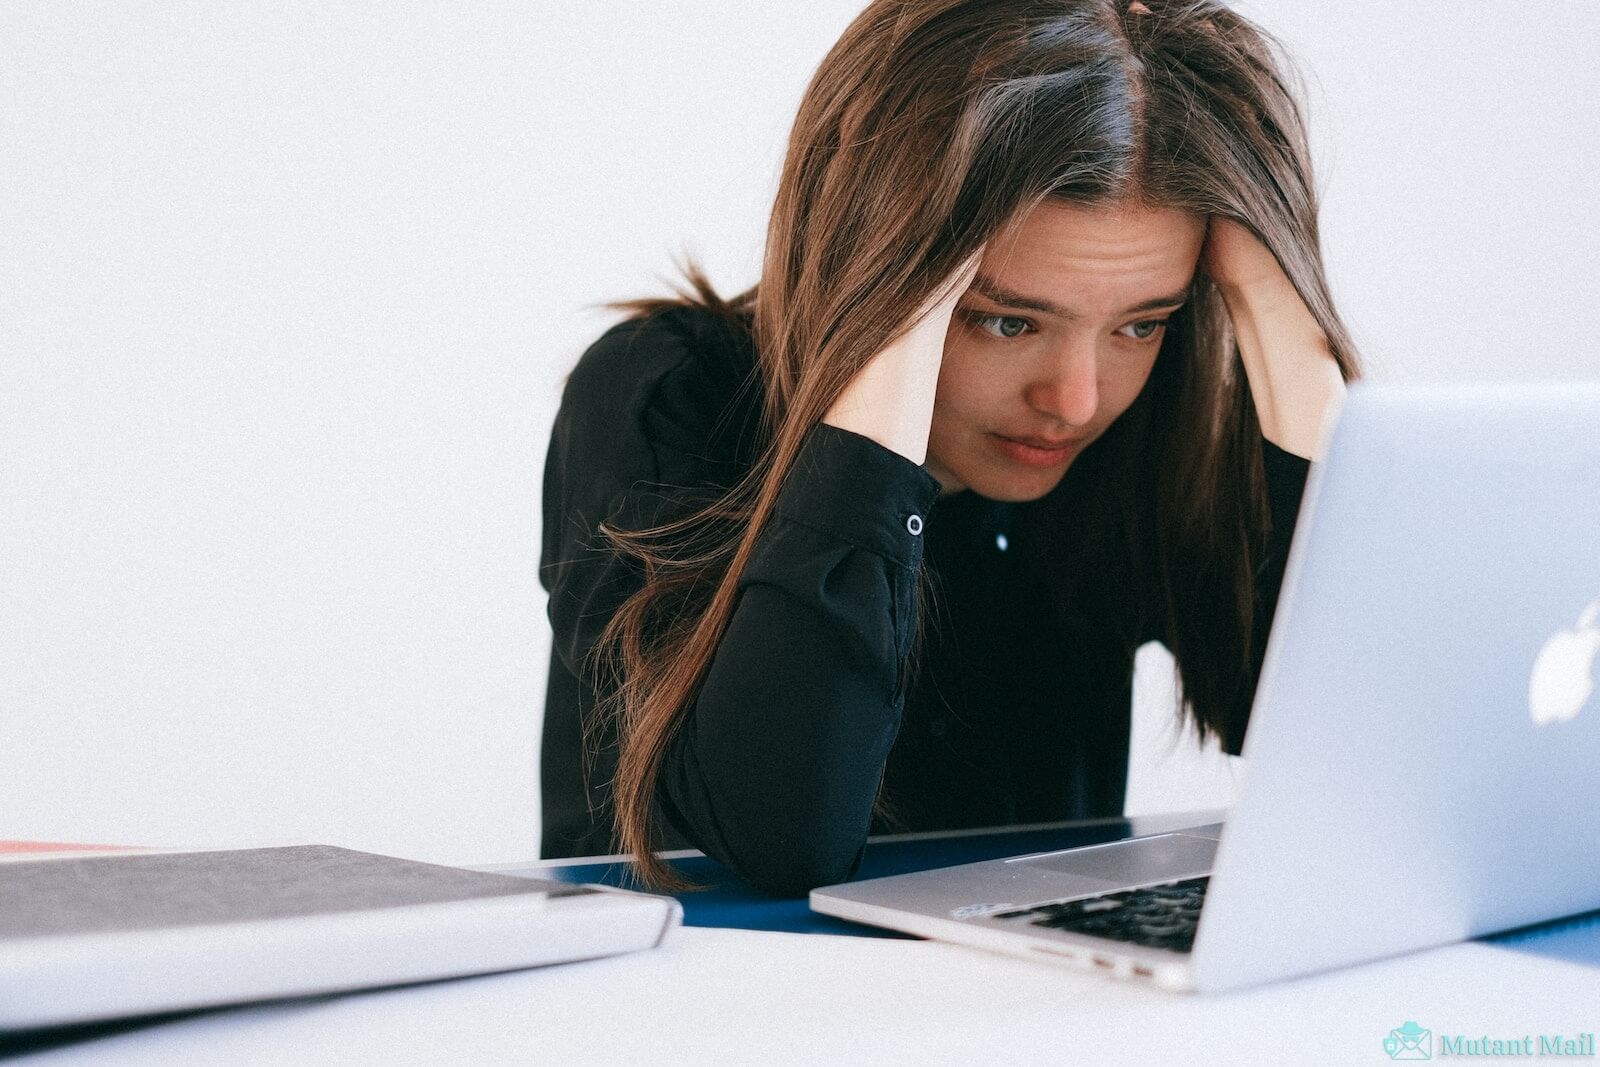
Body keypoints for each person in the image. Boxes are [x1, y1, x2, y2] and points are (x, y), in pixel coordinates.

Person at [540, 0, 1361, 896]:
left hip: (1023, 1006)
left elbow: (1352, 755)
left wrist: (1289, 314)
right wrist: (889, 329)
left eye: (1141, 323)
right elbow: (782, 834)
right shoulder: (665, 397)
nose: (1076, 401)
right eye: (1006, 320)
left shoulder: (1140, 428)